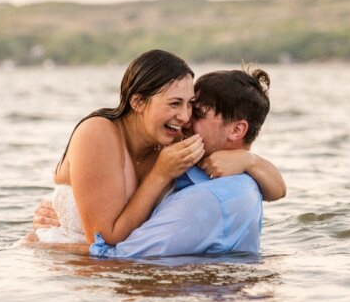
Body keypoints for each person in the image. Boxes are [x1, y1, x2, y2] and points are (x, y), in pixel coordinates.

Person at [28, 49, 285, 249]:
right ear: (138, 101)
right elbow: (104, 239)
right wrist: (160, 174)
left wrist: (249, 161)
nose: (185, 117)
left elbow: (277, 191)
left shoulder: (174, 139)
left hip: (111, 271)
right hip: (65, 271)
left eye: (190, 105)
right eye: (175, 103)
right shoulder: (98, 133)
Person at [89, 65, 276, 258]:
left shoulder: (210, 199)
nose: (185, 119)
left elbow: (118, 259)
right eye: (185, 106)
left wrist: (62, 246)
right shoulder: (198, 164)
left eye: (198, 114)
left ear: (236, 131)